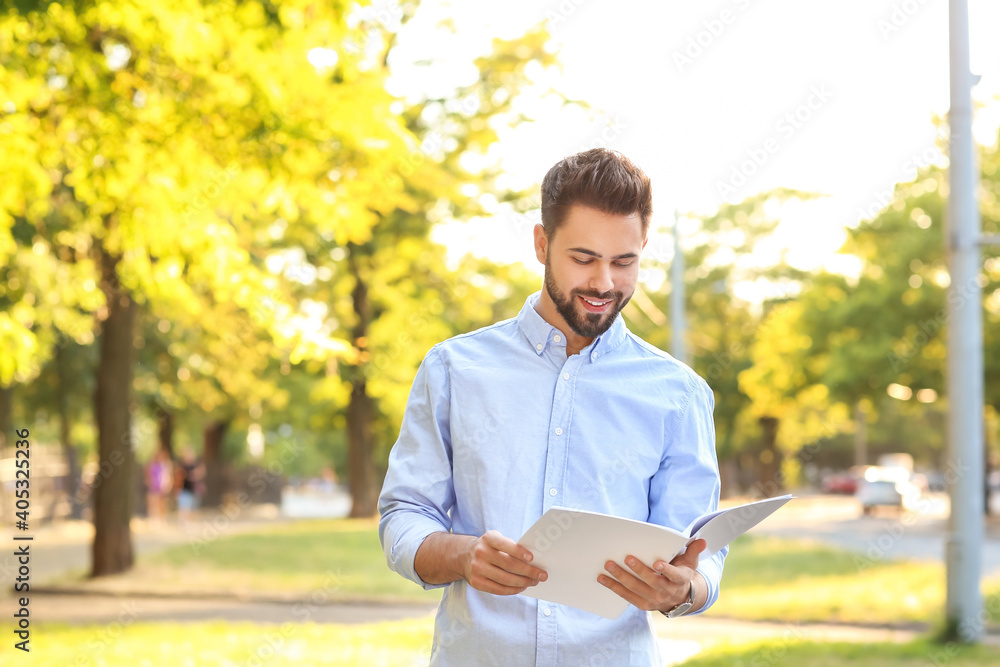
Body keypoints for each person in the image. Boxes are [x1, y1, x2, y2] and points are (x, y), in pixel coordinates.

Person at [378, 148, 725, 666]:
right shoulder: (454, 369)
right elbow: (404, 514)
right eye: (583, 259)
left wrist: (685, 590)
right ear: (542, 244)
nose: (604, 283)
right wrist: (463, 556)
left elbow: (701, 552)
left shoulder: (680, 394)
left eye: (624, 261)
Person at [145, 448, 173, 524]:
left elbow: (168, 477)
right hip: (154, 488)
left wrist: (167, 486)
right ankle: (153, 520)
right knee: (153, 504)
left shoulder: (166, 465)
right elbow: (148, 476)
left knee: (163, 505)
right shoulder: (152, 465)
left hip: (163, 488)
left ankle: (162, 520)